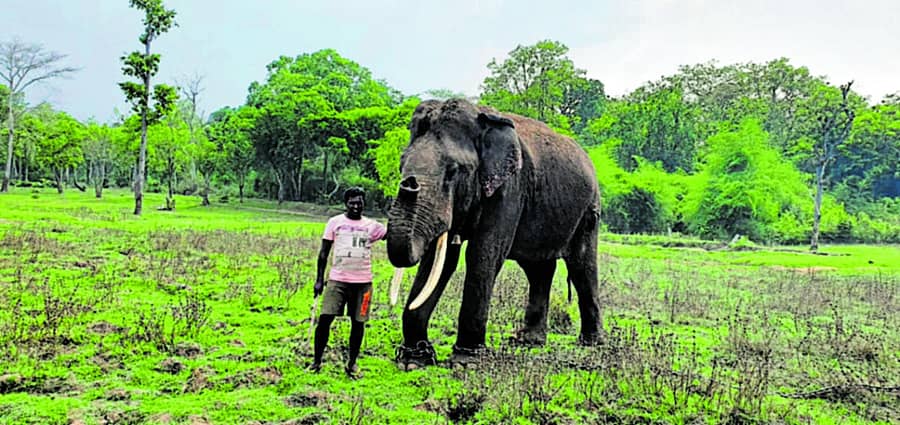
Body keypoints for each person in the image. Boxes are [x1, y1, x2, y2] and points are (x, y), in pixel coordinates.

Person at [308, 187, 387, 379]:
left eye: (359, 202)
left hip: (363, 283)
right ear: (346, 203)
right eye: (352, 202)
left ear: (363, 203)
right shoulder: (335, 223)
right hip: (337, 281)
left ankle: (352, 364)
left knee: (358, 323)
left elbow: (393, 237)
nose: (355, 206)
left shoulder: (373, 226)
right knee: (325, 319)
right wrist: (319, 280)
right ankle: (317, 361)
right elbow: (323, 253)